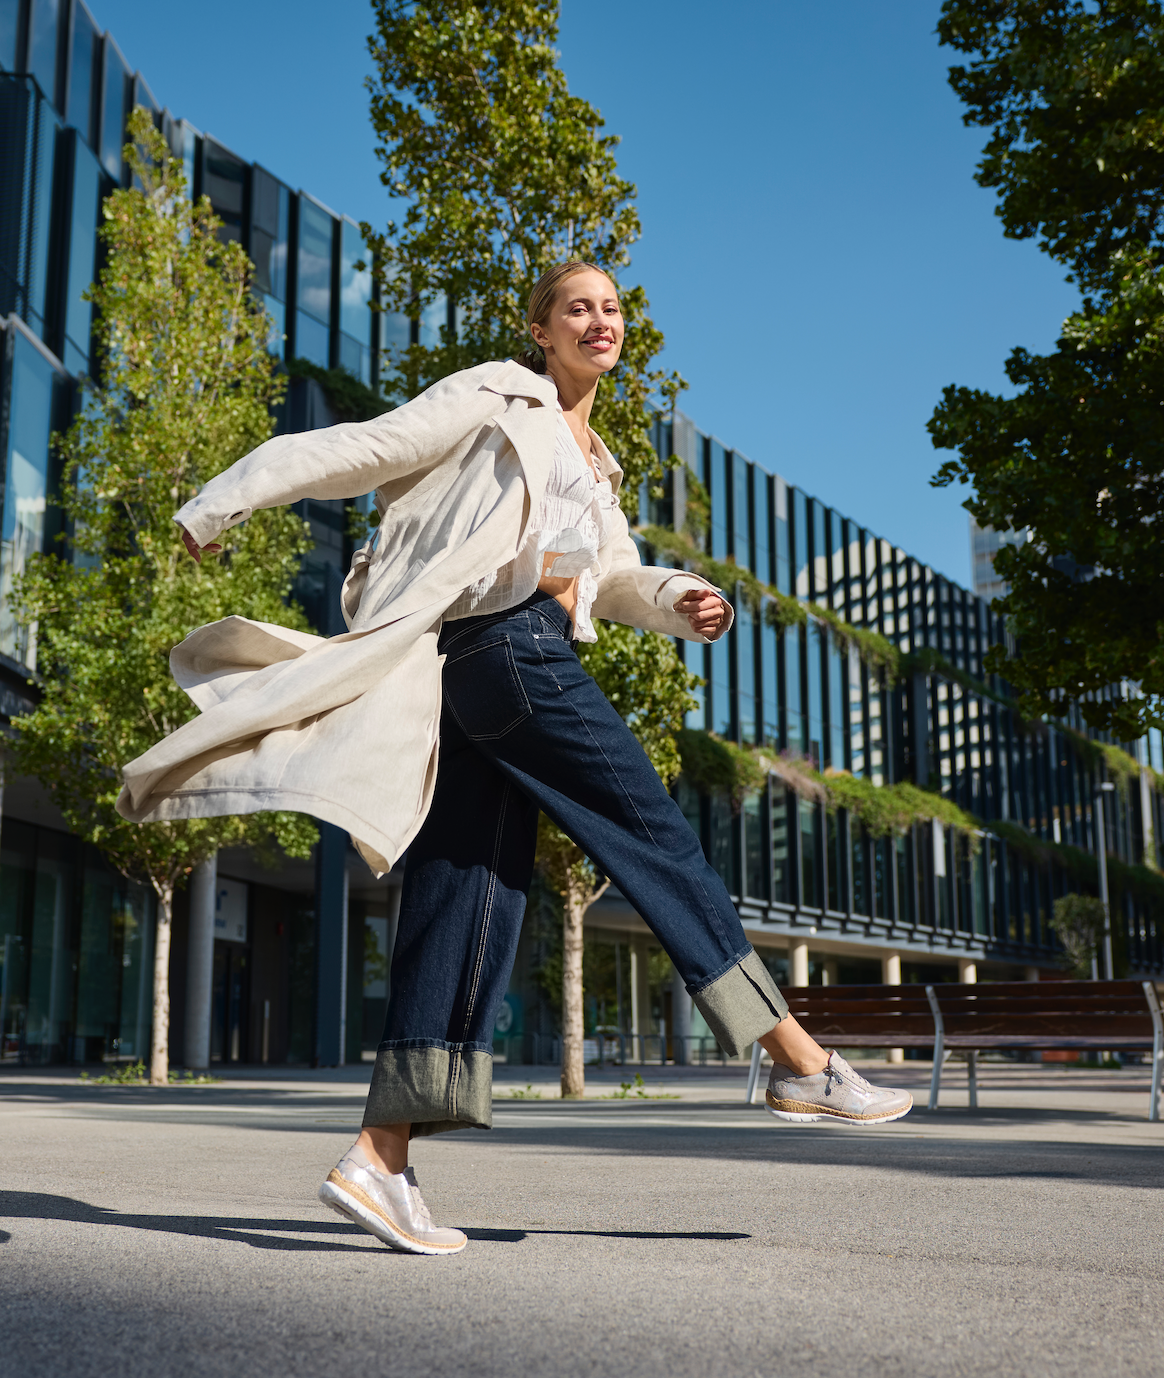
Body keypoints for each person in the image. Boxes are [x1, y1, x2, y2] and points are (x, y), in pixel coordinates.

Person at [121, 261, 912, 1260]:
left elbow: (613, 575)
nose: (599, 319)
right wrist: (222, 500)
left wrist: (679, 600)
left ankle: (380, 1155)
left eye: (613, 307)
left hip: (491, 675)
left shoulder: (597, 460)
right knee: (651, 833)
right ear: (540, 329)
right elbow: (368, 448)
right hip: (506, 651)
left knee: (469, 902)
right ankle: (794, 1055)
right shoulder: (500, 395)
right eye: (577, 306)